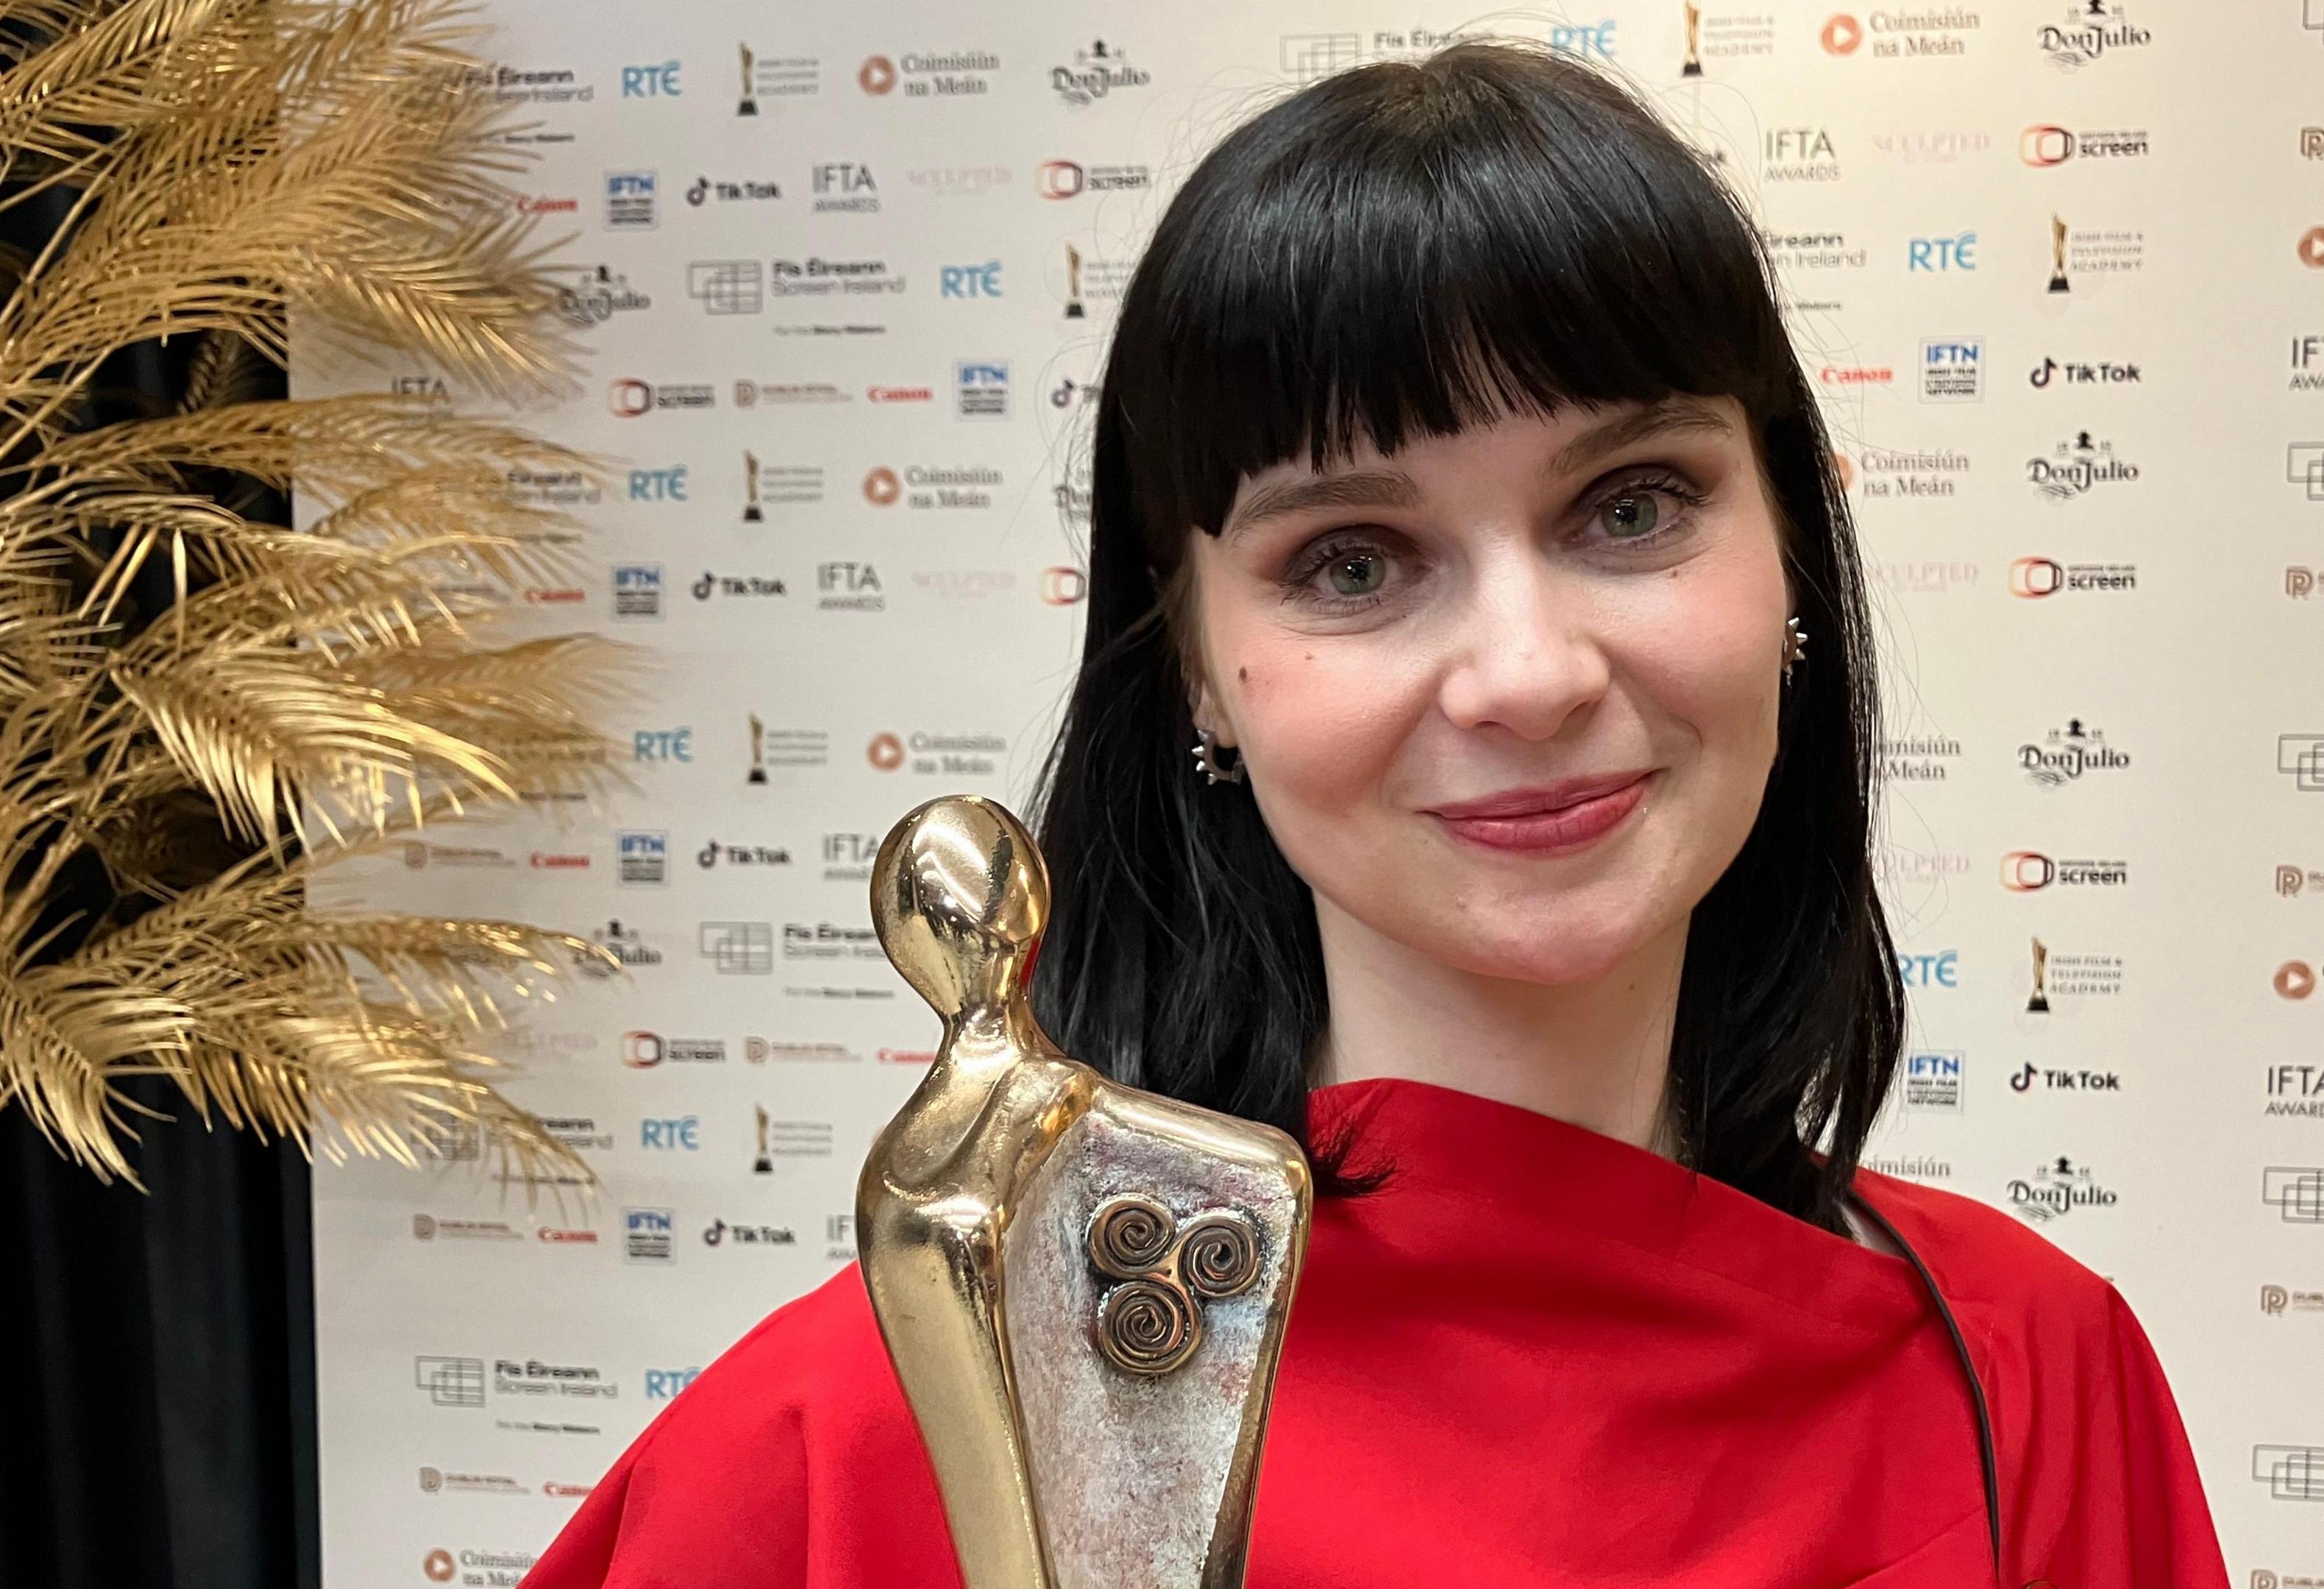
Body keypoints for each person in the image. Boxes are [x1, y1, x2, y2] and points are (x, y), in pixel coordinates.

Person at [527, 40, 2227, 1589]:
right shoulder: (882, 1427)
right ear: (1195, 665)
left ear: (1789, 553)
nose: (1526, 673)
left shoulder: (2031, 1377)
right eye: (1352, 562)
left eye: (1631, 506)